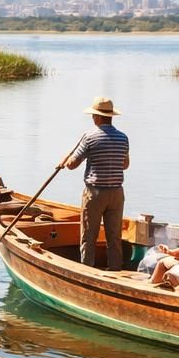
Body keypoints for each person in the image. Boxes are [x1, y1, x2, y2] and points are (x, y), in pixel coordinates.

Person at [61, 96, 130, 270]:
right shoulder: (123, 138)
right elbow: (125, 164)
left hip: (95, 193)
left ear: (98, 117)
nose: (92, 118)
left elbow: (72, 165)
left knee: (89, 235)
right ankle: (115, 268)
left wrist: (66, 160)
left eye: (93, 115)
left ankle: (87, 270)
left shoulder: (89, 137)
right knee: (114, 236)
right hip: (117, 193)